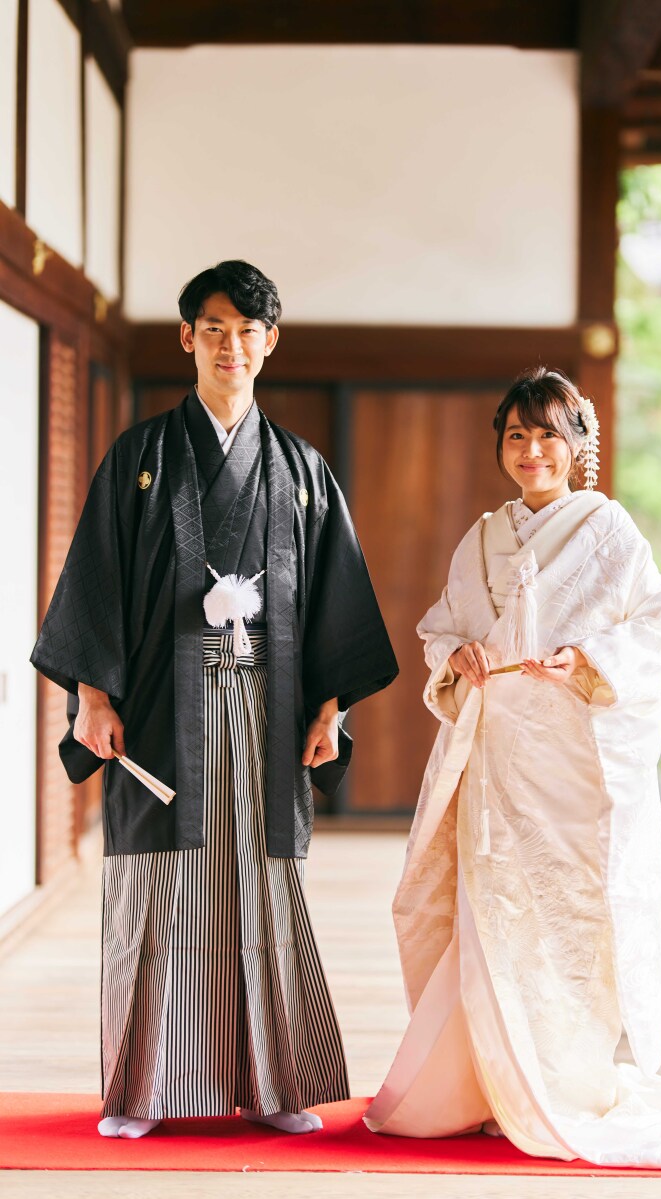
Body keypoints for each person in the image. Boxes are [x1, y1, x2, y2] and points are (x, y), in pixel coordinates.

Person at [31, 260, 398, 1140]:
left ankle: (274, 1084)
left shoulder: (301, 470)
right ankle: (141, 1088)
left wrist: (329, 709)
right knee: (160, 887)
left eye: (250, 331)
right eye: (216, 328)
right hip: (161, 705)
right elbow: (98, 580)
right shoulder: (143, 458)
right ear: (186, 337)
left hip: (271, 703)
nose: (233, 346)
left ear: (271, 342)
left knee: (264, 886)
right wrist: (90, 693)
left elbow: (339, 602)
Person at [364, 367, 661, 1171]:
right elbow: (439, 626)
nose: (533, 450)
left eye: (549, 435)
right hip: (494, 760)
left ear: (577, 446)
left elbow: (657, 616)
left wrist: (592, 658)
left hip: (572, 770)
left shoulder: (609, 532)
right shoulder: (480, 538)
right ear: (501, 446)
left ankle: (559, 1084)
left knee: (565, 926)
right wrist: (458, 656)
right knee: (486, 918)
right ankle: (479, 1086)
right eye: (517, 435)